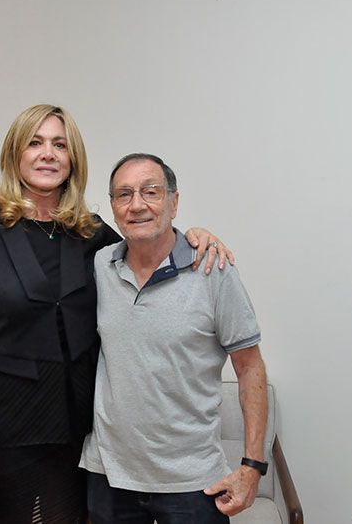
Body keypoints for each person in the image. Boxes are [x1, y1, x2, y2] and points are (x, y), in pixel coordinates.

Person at [0, 105, 233, 523]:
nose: (47, 154)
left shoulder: (92, 234)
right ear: (14, 154)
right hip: (9, 428)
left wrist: (196, 238)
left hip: (81, 431)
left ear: (73, 159)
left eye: (60, 144)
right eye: (35, 143)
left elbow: (148, 242)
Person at [80, 153, 269, 523]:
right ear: (113, 207)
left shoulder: (212, 269)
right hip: (109, 476)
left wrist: (252, 466)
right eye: (124, 194)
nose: (137, 205)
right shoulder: (100, 265)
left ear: (174, 202)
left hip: (193, 483)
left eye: (151, 191)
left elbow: (250, 368)